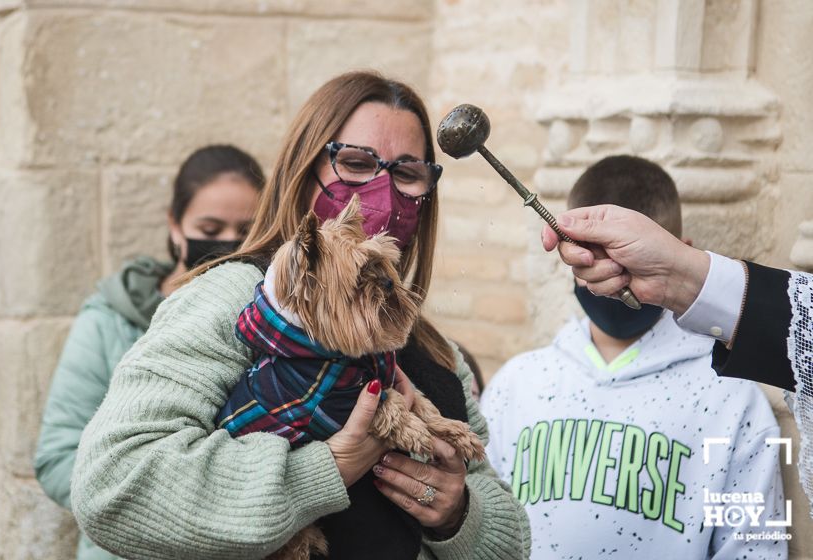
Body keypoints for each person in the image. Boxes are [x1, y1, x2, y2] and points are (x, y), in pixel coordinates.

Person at [70, 71, 530, 560]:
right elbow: (113, 482)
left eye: (407, 173)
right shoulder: (231, 300)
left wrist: (457, 514)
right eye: (354, 163)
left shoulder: (436, 351)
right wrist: (325, 469)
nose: (381, 192)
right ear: (301, 171)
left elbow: (511, 541)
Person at [482, 156, 786, 558]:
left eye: (626, 261)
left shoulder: (731, 400)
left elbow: (755, 549)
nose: (611, 279)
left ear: (680, 252)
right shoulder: (516, 385)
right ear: (569, 254)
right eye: (594, 257)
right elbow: (479, 529)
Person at [34, 145, 265, 560]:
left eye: (246, 231)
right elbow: (57, 455)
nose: (229, 245)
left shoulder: (272, 327)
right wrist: (156, 502)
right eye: (210, 231)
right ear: (175, 226)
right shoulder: (110, 319)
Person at [541, 199, 813, 519]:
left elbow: (753, 541)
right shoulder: (521, 381)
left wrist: (679, 274)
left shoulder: (733, 399)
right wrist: (680, 275)